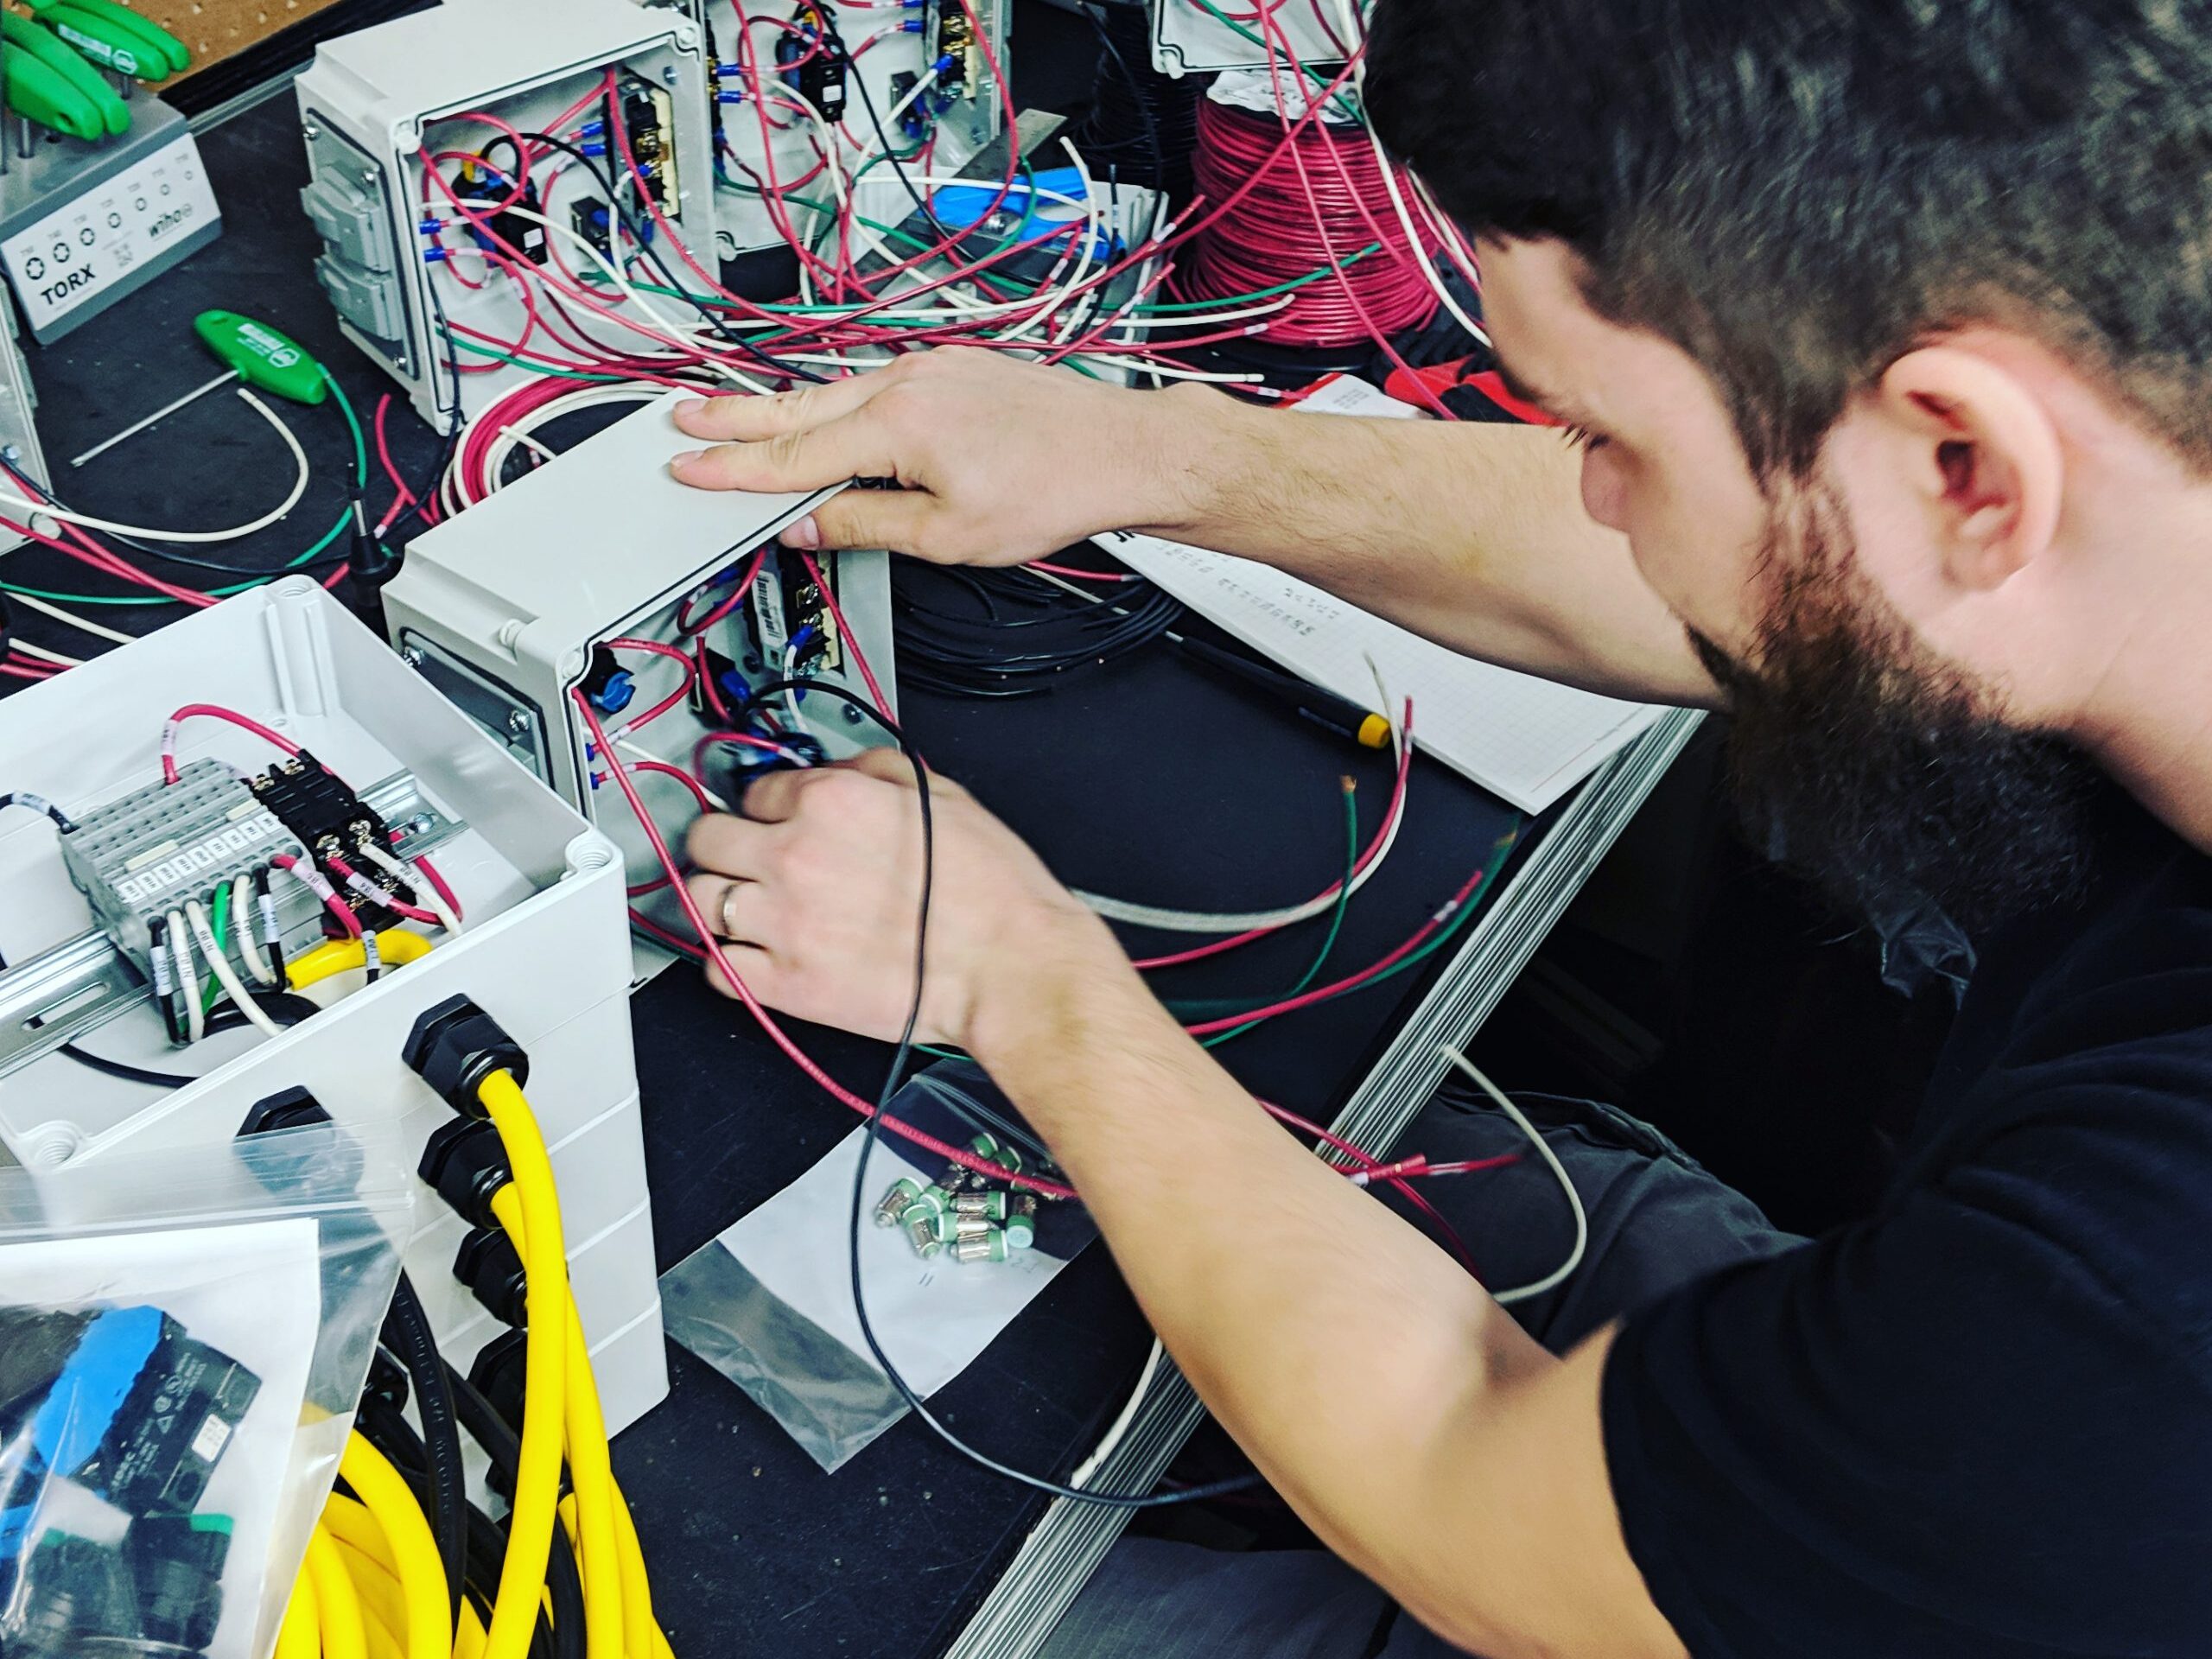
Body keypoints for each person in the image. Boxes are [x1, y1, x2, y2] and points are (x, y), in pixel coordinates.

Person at [660, 0, 2212, 1651]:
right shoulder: (2131, 485)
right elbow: (1792, 564)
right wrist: (1140, 450)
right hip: (1955, 1398)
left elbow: (1460, 1473)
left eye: (1604, 437)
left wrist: (1019, 974)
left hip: (1610, 1535)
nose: (1591, 496)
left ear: (1969, 465)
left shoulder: (2136, 1310)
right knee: (1480, 1181)